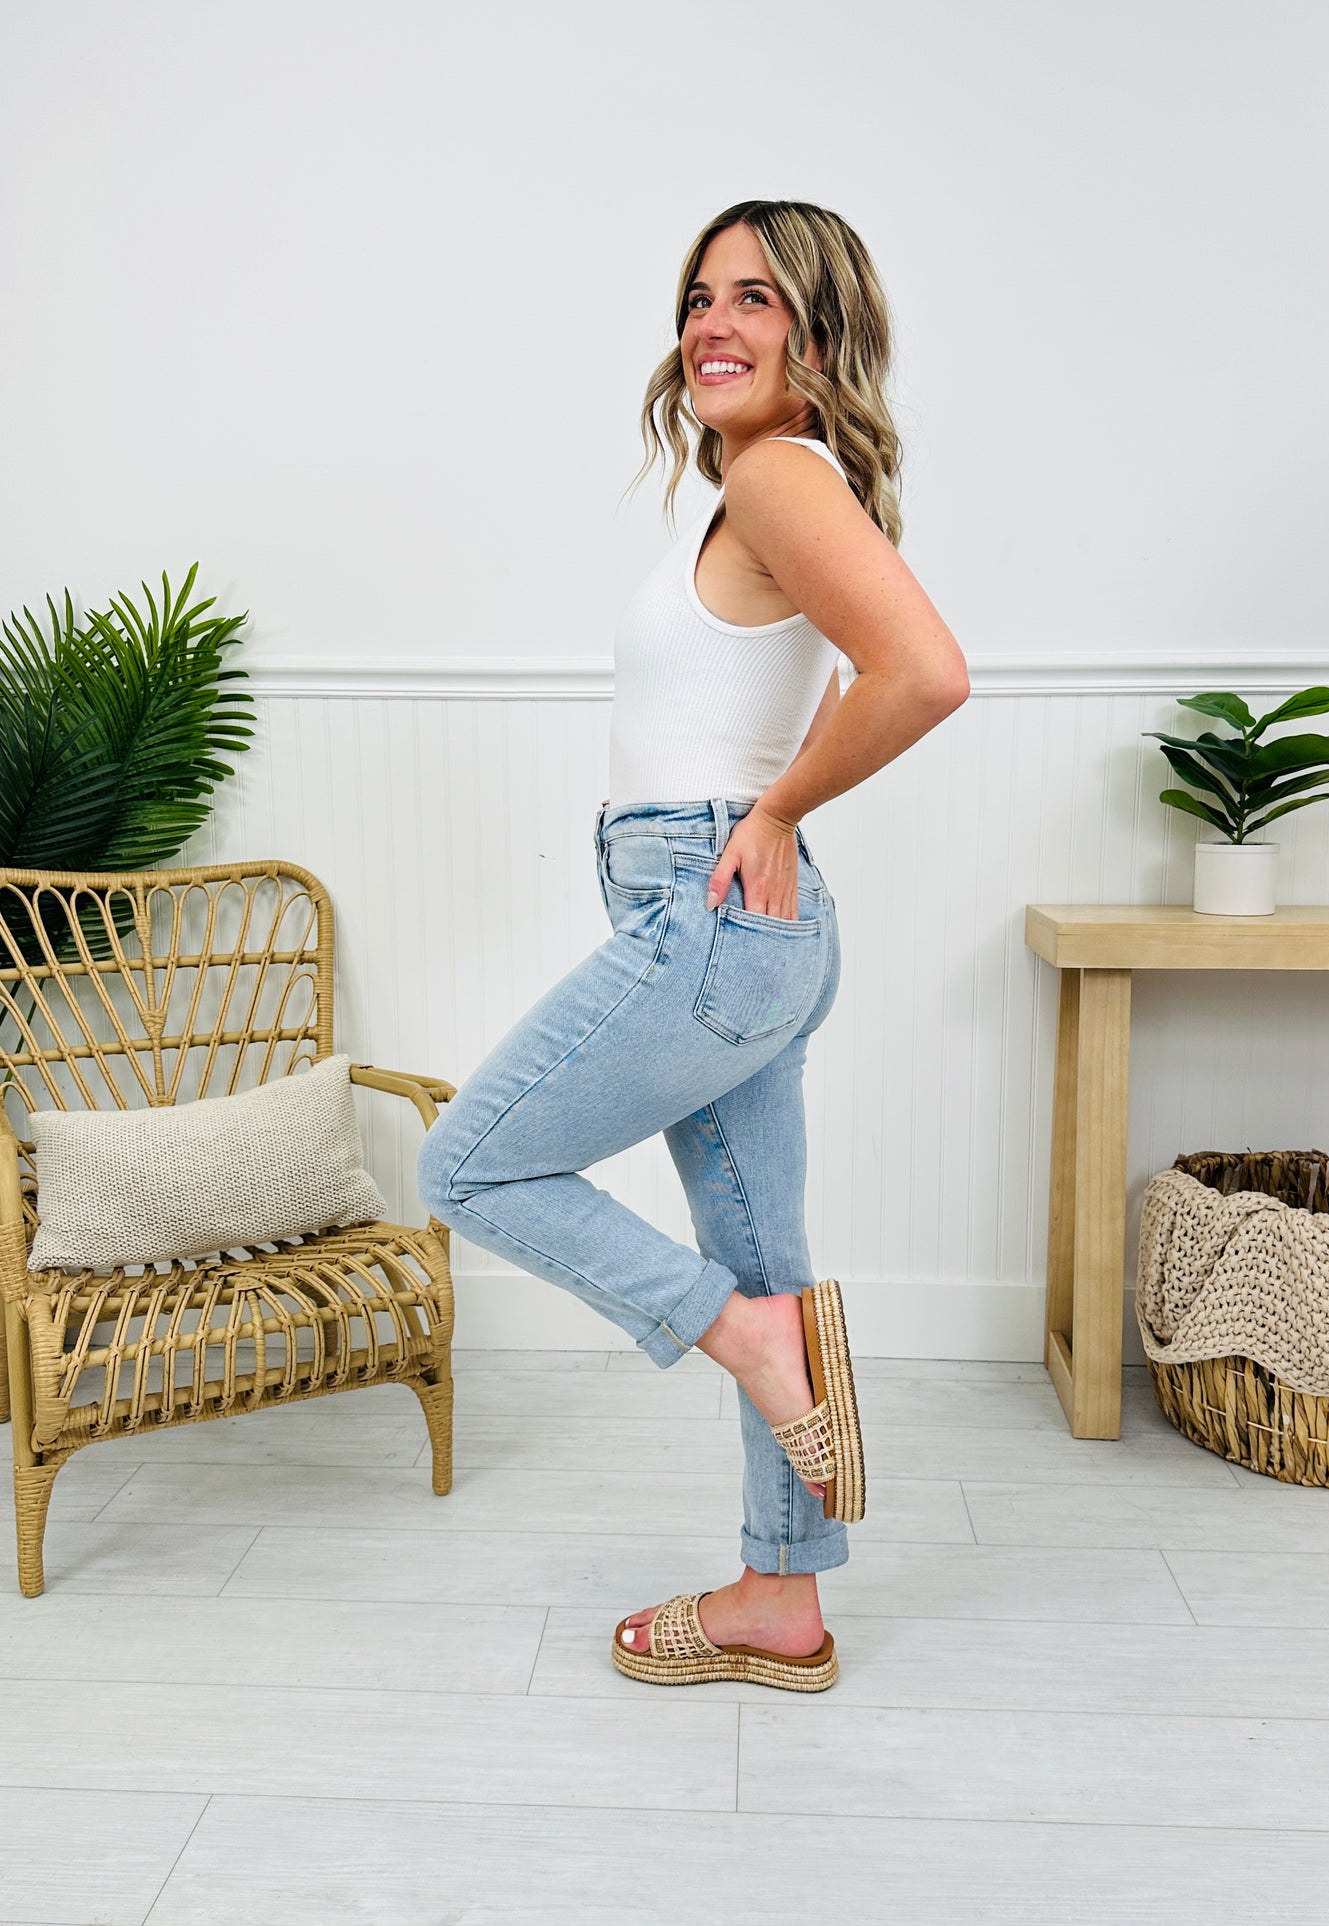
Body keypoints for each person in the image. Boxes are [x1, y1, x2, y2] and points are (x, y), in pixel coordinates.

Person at [416, 198, 969, 1691]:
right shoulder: (765, 485)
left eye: (756, 298)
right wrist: (773, 807)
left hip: (712, 914)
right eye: (698, 296)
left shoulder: (780, 475)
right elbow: (837, 683)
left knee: (465, 1167)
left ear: (817, 334)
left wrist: (778, 806)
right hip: (733, 925)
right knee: (766, 1258)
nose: (712, 323)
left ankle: (735, 1332)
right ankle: (781, 1601)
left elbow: (924, 673)